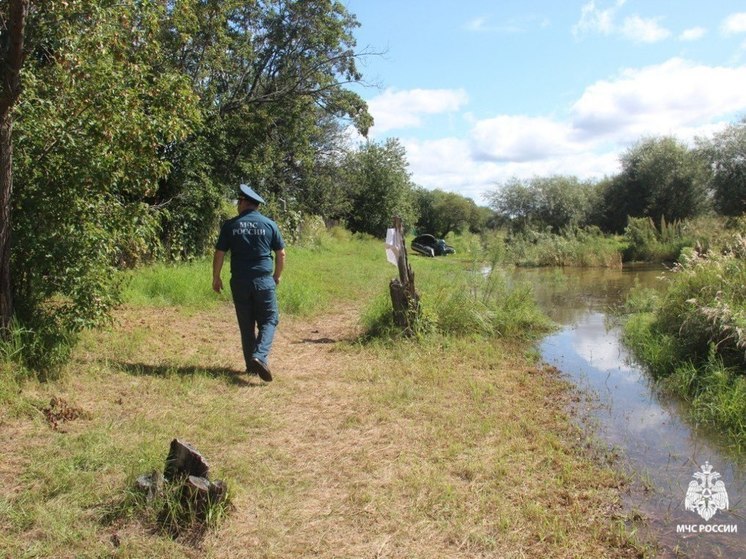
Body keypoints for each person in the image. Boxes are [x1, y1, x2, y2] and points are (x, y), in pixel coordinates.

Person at [212, 184, 286, 382]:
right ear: (256, 206)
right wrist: (277, 276)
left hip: (239, 281)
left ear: (244, 202)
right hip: (263, 280)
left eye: (238, 202)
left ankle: (251, 367)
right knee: (270, 319)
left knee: (246, 325)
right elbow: (281, 253)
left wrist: (216, 277)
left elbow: (220, 253)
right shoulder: (269, 224)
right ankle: (260, 356)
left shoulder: (230, 225)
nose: (237, 205)